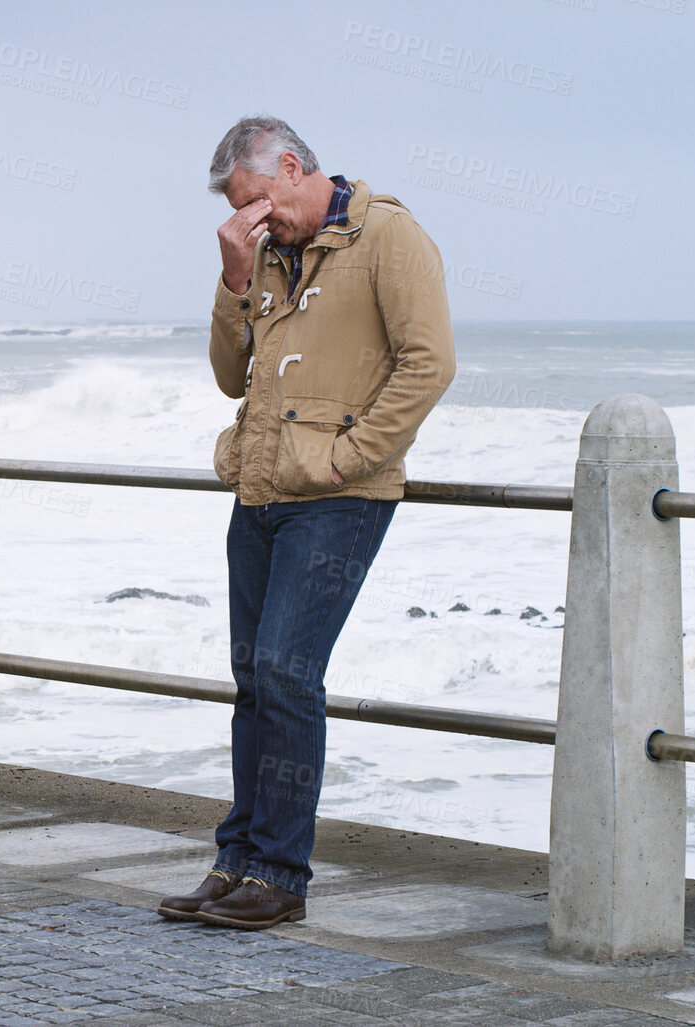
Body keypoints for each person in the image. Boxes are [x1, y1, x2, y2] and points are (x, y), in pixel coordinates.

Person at [159, 116, 456, 930]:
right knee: (254, 678)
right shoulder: (258, 252)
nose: (254, 220)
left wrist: (350, 456)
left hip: (337, 497)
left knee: (288, 672)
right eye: (239, 212)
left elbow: (428, 360)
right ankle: (237, 859)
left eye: (257, 202)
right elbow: (230, 378)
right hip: (258, 491)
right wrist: (230, 279)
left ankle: (281, 875)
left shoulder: (387, 235)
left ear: (291, 167)